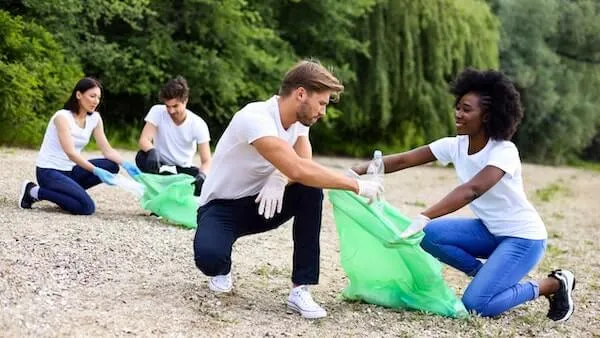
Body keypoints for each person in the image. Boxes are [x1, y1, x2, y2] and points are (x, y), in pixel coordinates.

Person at [350, 68, 575, 322]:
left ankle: (552, 285)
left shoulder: (503, 151)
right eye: (457, 107)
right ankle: (485, 276)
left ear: (487, 116)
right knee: (429, 235)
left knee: (476, 305)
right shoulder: (455, 145)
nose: (458, 114)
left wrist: (425, 214)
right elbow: (404, 159)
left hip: (524, 239)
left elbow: (473, 189)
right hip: (490, 231)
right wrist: (354, 172)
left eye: (466, 109)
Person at [193, 60, 383, 319]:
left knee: (310, 190)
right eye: (322, 103)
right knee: (210, 259)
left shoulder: (300, 122)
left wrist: (279, 178)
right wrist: (357, 185)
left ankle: (300, 289)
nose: (323, 112)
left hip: (262, 203)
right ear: (301, 94)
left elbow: (304, 163)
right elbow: (297, 167)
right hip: (221, 207)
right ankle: (222, 266)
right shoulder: (255, 117)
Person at [18, 77, 141, 215]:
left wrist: (128, 165)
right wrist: (95, 170)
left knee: (111, 166)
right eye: (92, 96)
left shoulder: (95, 118)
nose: (96, 101)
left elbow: (107, 150)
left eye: (98, 97)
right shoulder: (62, 117)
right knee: (86, 207)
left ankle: (69, 195)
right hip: (49, 171)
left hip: (70, 171)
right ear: (78, 95)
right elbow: (71, 153)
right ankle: (33, 191)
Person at [136, 76, 212, 195]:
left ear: (185, 100)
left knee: (205, 182)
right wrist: (152, 151)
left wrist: (202, 175)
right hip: (160, 164)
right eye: (167, 106)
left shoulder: (198, 124)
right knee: (142, 157)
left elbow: (206, 160)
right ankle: (161, 189)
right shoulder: (157, 111)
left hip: (182, 169)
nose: (171, 111)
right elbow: (144, 140)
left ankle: (170, 190)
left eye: (175, 106)